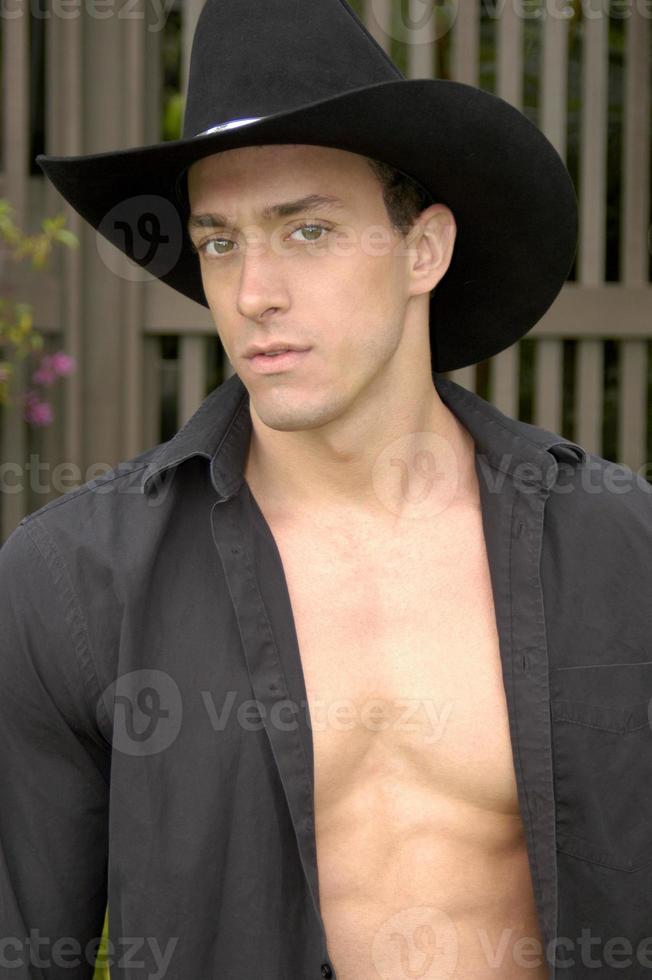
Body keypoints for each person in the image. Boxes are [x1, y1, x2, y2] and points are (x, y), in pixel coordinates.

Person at [3, 1, 652, 979]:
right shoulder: (71, 582)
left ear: (423, 250)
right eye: (219, 240)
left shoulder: (622, 547)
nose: (253, 288)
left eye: (305, 229)